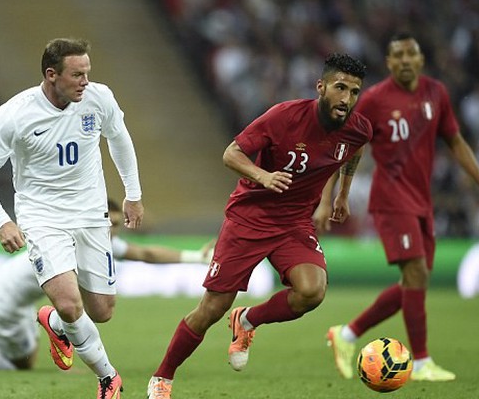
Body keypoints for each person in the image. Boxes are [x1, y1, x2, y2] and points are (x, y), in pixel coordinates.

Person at [146, 53, 372, 399]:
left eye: (354, 92)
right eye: (340, 88)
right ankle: (163, 377)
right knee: (211, 308)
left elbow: (352, 150)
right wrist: (262, 175)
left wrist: (340, 195)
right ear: (321, 87)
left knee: (312, 291)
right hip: (250, 219)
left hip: (295, 222)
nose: (346, 98)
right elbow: (231, 153)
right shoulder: (285, 117)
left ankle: (248, 320)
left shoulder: (358, 128)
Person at [0, 37, 143, 399]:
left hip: (92, 214)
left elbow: (120, 140)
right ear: (52, 75)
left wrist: (133, 195)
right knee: (68, 302)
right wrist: (2, 220)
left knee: (102, 311)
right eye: (77, 74)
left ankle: (56, 324)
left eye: (87, 73)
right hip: (42, 218)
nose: (85, 81)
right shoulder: (14, 115)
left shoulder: (99, 99)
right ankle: (108, 378)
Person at [323, 32, 479, 382]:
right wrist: (340, 194)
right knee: (415, 276)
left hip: (421, 201)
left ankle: (346, 335)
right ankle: (421, 362)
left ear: (420, 59)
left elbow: (455, 140)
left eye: (410, 54)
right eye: (396, 55)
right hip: (391, 199)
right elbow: (354, 147)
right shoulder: (374, 100)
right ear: (388, 63)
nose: (404, 60)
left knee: (414, 283)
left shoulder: (436, 93)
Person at [0, 200, 214, 371]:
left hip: (14, 301)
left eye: (118, 226)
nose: (115, 233)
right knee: (21, 364)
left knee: (24, 358)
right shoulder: (78, 244)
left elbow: (145, 253)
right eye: (111, 224)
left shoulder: (95, 241)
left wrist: (195, 256)